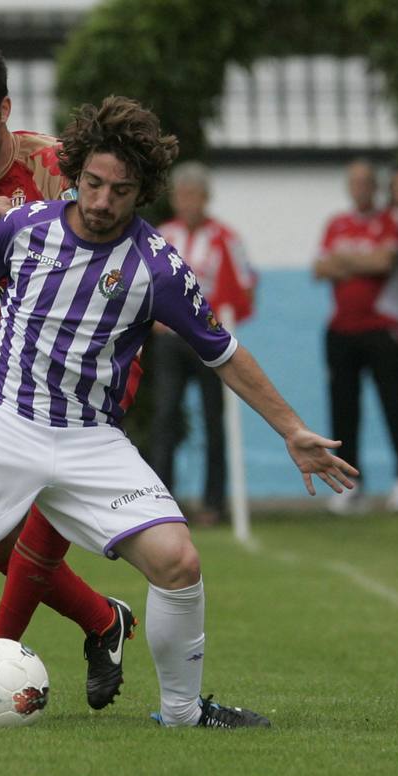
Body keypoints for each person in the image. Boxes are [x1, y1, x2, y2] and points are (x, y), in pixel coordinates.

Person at [0, 95, 357, 729]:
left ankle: (182, 713)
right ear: (74, 175)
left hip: (90, 440)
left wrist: (291, 429)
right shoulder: (21, 229)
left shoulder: (157, 267)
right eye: (93, 183)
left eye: (119, 191)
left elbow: (223, 353)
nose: (101, 201)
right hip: (1, 418)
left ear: (141, 192)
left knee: (179, 561)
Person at [0, 38, 141, 711]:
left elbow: (118, 244)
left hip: (93, 368)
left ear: (5, 108)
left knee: (39, 532)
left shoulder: (55, 166)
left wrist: (37, 218)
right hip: (11, 374)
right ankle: (104, 622)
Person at [148, 162, 256, 526]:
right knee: (165, 416)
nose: (189, 202)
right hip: (169, 340)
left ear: (206, 198)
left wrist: (225, 319)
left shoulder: (226, 237)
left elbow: (245, 282)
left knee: (214, 420)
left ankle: (214, 503)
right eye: (182, 195)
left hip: (208, 340)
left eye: (195, 195)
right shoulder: (161, 236)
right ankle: (162, 501)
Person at [314, 159, 398, 514]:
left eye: (366, 182)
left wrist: (346, 261)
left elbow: (384, 262)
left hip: (383, 329)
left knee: (395, 403)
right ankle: (351, 485)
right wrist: (359, 261)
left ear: (375, 186)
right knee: (344, 410)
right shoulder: (336, 223)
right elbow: (321, 267)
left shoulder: (391, 221)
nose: (360, 188)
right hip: (341, 329)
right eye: (354, 182)